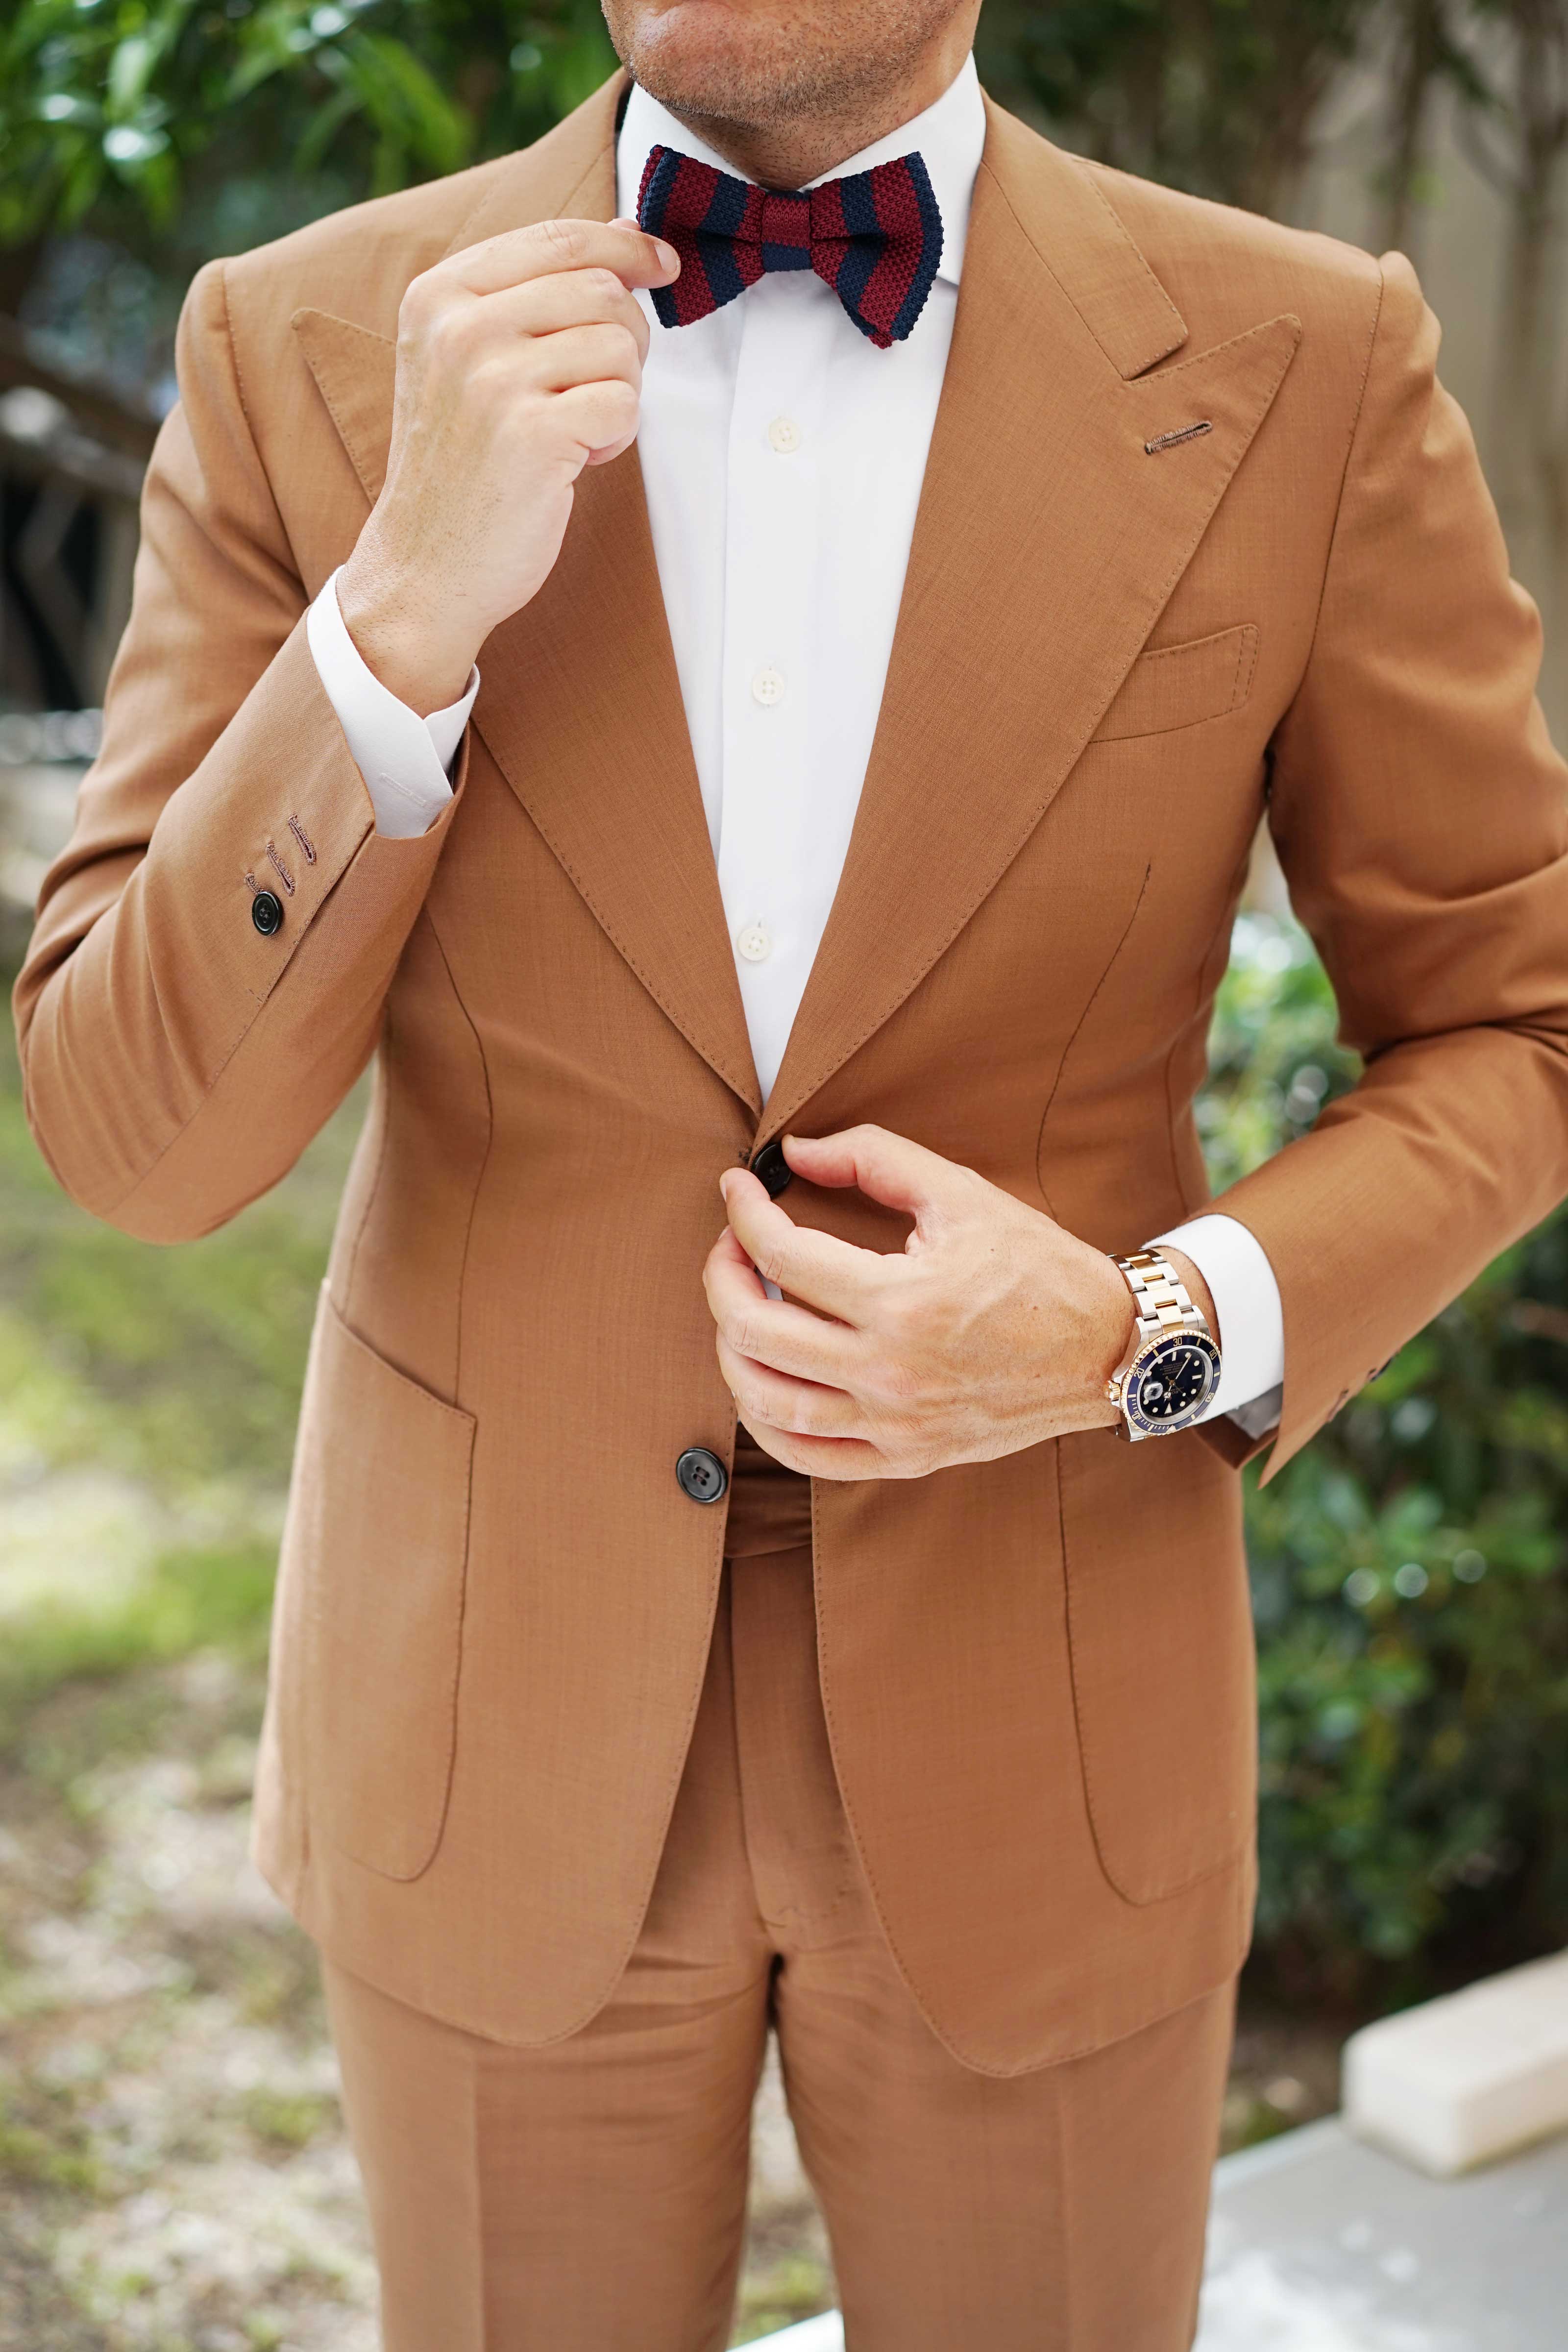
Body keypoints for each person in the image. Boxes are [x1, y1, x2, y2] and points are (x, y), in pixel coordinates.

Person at [14, 0, 1568, 2342]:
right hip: (484, 1704)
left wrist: (1140, 1330)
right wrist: (402, 606)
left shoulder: (1299, 358)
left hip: (1042, 1689)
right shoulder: (305, 344)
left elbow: (1509, 1016)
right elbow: (133, 1142)